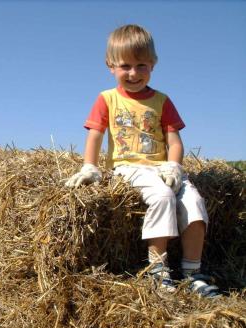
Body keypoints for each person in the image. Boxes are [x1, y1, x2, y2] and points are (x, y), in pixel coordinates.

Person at [65, 24, 219, 297]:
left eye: (141, 65)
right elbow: (95, 136)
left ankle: (193, 272)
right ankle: (158, 273)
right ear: (110, 65)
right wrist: (90, 166)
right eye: (125, 66)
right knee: (162, 197)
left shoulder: (162, 101)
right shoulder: (107, 99)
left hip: (162, 167)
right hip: (129, 167)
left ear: (153, 64)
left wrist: (174, 165)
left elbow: (174, 142)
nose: (133, 73)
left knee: (194, 202)